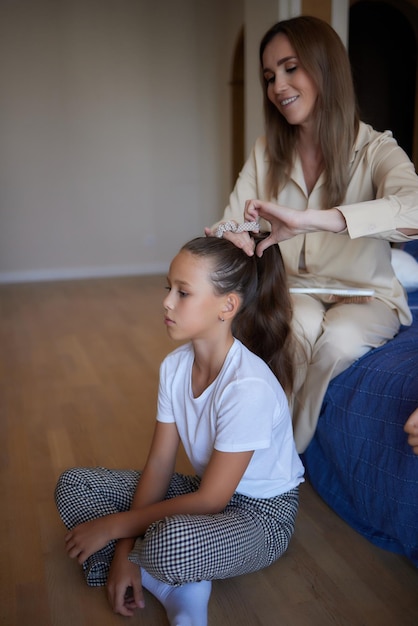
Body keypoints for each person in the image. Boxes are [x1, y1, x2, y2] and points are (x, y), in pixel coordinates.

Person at [55, 233, 305, 625]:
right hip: (206, 495)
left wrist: (112, 528)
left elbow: (211, 503)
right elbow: (158, 466)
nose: (167, 302)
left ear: (228, 306)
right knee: (74, 486)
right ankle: (167, 580)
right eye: (168, 288)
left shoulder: (248, 386)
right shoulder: (174, 366)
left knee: (170, 541)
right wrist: (124, 552)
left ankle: (168, 574)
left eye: (183, 293)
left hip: (260, 516)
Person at [206, 15, 418, 453]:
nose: (277, 86)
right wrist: (232, 236)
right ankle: (255, 453)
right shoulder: (267, 152)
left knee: (338, 343)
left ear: (324, 68)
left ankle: (283, 455)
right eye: (269, 76)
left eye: (290, 67)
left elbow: (414, 210)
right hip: (297, 292)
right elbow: (232, 219)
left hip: (368, 296)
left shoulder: (376, 149)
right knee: (294, 331)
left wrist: (311, 219)